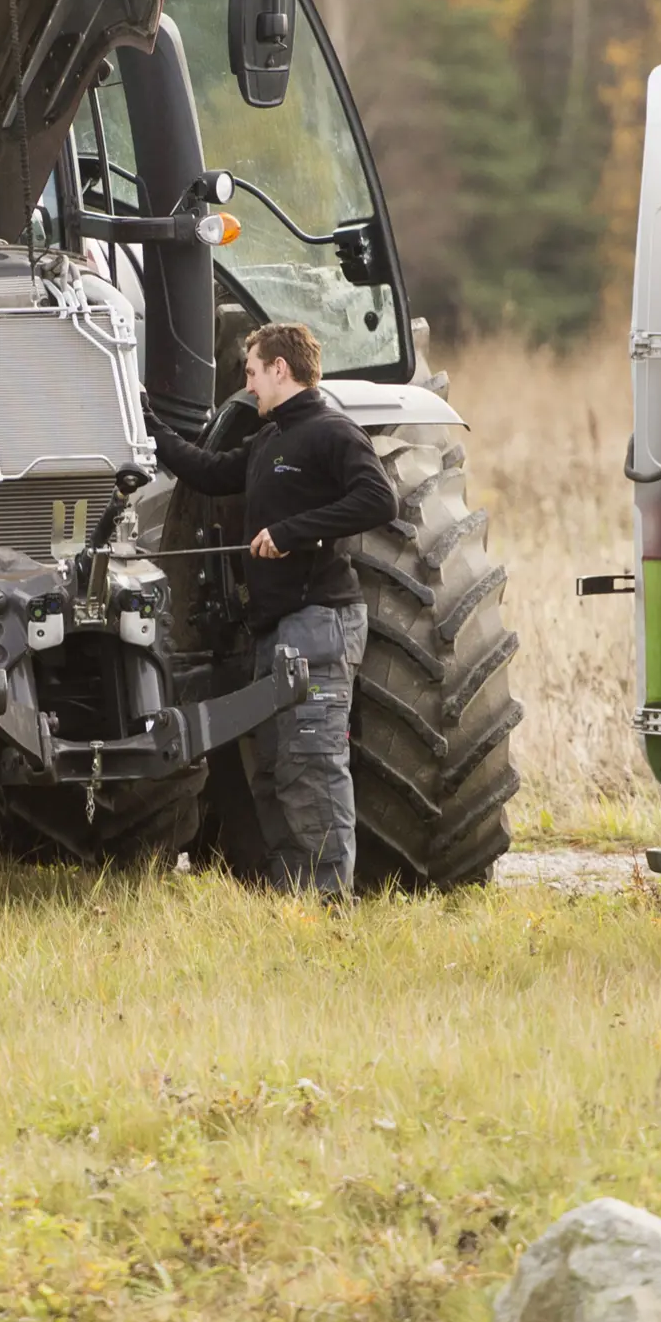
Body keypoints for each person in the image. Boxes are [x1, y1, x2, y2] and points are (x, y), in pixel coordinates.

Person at [154, 321, 399, 894]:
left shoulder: (331, 432)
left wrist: (292, 531)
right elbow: (210, 474)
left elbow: (377, 498)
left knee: (312, 764)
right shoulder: (270, 439)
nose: (249, 384)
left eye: (252, 372)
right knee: (273, 769)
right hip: (275, 630)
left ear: (280, 369)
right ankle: (293, 900)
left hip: (319, 621)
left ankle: (330, 904)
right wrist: (150, 425)